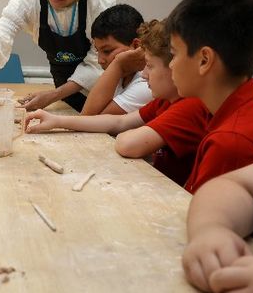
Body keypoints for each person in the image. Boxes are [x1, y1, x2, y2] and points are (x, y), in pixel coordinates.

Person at [167, 0, 253, 261]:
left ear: (204, 60)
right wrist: (209, 231)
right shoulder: (227, 114)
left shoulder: (235, 139)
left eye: (174, 53)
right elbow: (225, 194)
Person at [25, 20, 209, 185]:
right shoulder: (165, 101)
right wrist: (57, 121)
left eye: (150, 66)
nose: (144, 74)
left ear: (175, 67)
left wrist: (126, 134)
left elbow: (128, 145)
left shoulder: (189, 106)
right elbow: (118, 121)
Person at [81, 4, 152, 115]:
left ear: (137, 45)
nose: (100, 60)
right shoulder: (120, 75)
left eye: (107, 51)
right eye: (97, 51)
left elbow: (87, 119)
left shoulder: (146, 84)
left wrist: (117, 64)